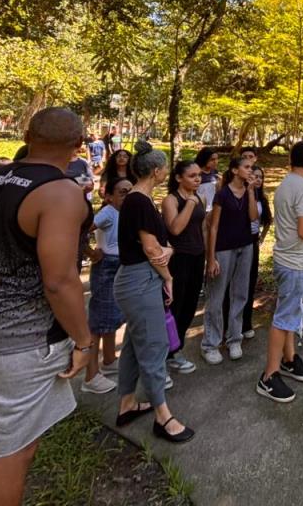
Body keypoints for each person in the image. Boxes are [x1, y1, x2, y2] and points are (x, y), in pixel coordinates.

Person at [0, 108, 99, 504]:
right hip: (23, 341)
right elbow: (59, 279)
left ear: (26, 133)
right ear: (78, 145)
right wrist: (84, 342)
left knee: (3, 444)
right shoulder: (61, 192)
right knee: (11, 458)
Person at [112, 140, 193, 443]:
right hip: (140, 281)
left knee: (135, 343)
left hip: (138, 279)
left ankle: (127, 404)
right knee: (155, 346)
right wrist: (168, 276)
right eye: (166, 169)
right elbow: (151, 249)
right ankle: (163, 416)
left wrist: (166, 251)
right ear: (157, 171)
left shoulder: (138, 199)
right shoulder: (140, 202)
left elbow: (155, 246)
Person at [257, 141, 303, 403]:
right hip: (295, 265)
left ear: (291, 160)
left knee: (293, 314)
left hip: (290, 260)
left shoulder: (285, 184)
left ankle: (289, 358)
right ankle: (268, 376)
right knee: (284, 318)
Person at [201, 153, 257, 365]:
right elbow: (213, 226)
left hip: (245, 246)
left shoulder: (250, 190)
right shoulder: (223, 194)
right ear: (235, 170)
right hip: (224, 249)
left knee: (240, 293)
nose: (250, 170)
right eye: (247, 167)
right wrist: (211, 257)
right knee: (216, 295)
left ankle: (234, 338)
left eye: (252, 167)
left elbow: (253, 218)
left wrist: (251, 191)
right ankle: (210, 343)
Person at [86, 179, 132, 391]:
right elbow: (82, 229)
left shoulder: (127, 212)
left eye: (130, 192)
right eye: (123, 192)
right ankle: (91, 376)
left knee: (112, 316)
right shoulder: (107, 212)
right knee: (98, 320)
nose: (127, 195)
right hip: (107, 267)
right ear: (109, 196)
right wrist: (91, 252)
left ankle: (109, 359)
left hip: (121, 265)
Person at [161, 161, 205, 374]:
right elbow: (175, 229)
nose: (197, 179)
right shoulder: (171, 199)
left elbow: (203, 227)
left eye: (199, 175)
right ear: (179, 178)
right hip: (179, 259)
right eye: (192, 176)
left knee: (190, 306)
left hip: (198, 256)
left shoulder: (199, 197)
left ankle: (176, 350)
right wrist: (189, 204)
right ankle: (167, 354)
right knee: (175, 307)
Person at [243, 164, 272, 338]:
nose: (258, 179)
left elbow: (268, 220)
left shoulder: (263, 198)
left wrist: (261, 238)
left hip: (253, 242)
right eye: (254, 176)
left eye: (261, 176)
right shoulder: (243, 195)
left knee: (249, 283)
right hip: (239, 242)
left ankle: (246, 322)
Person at [194, 147, 220, 213]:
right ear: (205, 159)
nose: (215, 162)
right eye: (212, 159)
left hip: (212, 208)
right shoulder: (196, 173)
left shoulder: (215, 172)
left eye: (217, 159)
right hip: (200, 208)